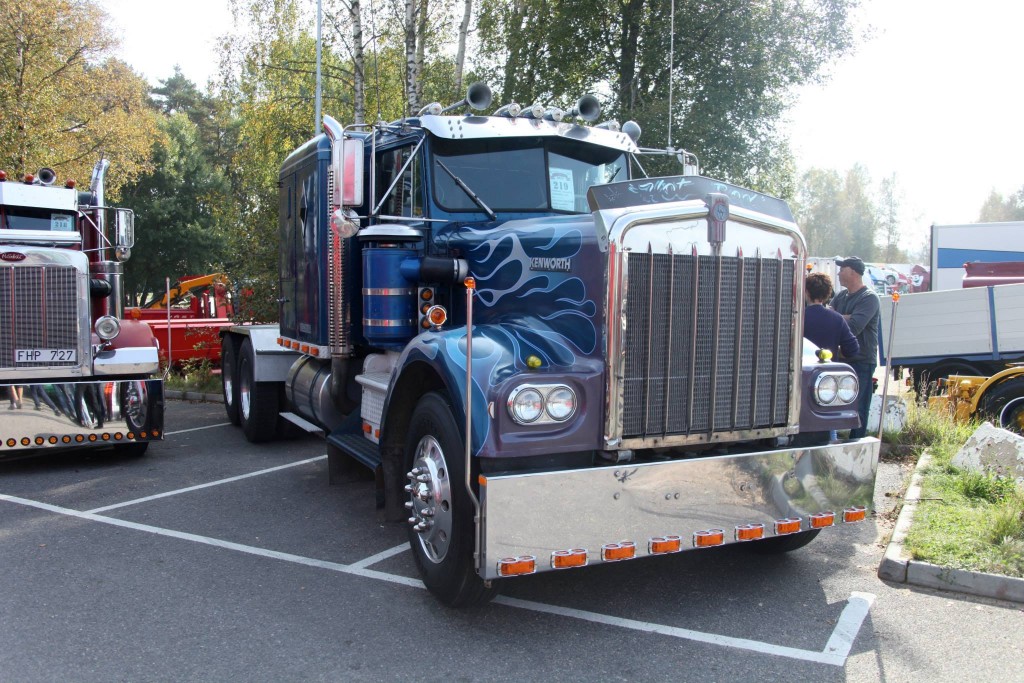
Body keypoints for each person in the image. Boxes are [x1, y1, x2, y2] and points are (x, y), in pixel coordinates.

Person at [831, 256, 880, 439]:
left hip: (861, 361)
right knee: (833, 403)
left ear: (852, 271)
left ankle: (856, 442)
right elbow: (831, 318)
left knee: (859, 407)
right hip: (841, 360)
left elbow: (854, 326)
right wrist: (846, 316)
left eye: (842, 269)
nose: (838, 273)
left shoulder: (869, 298)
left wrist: (836, 316)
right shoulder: (841, 296)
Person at [804, 272, 859, 359]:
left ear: (806, 292)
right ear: (828, 293)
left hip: (804, 368)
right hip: (827, 369)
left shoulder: (798, 318)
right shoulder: (837, 319)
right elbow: (852, 350)